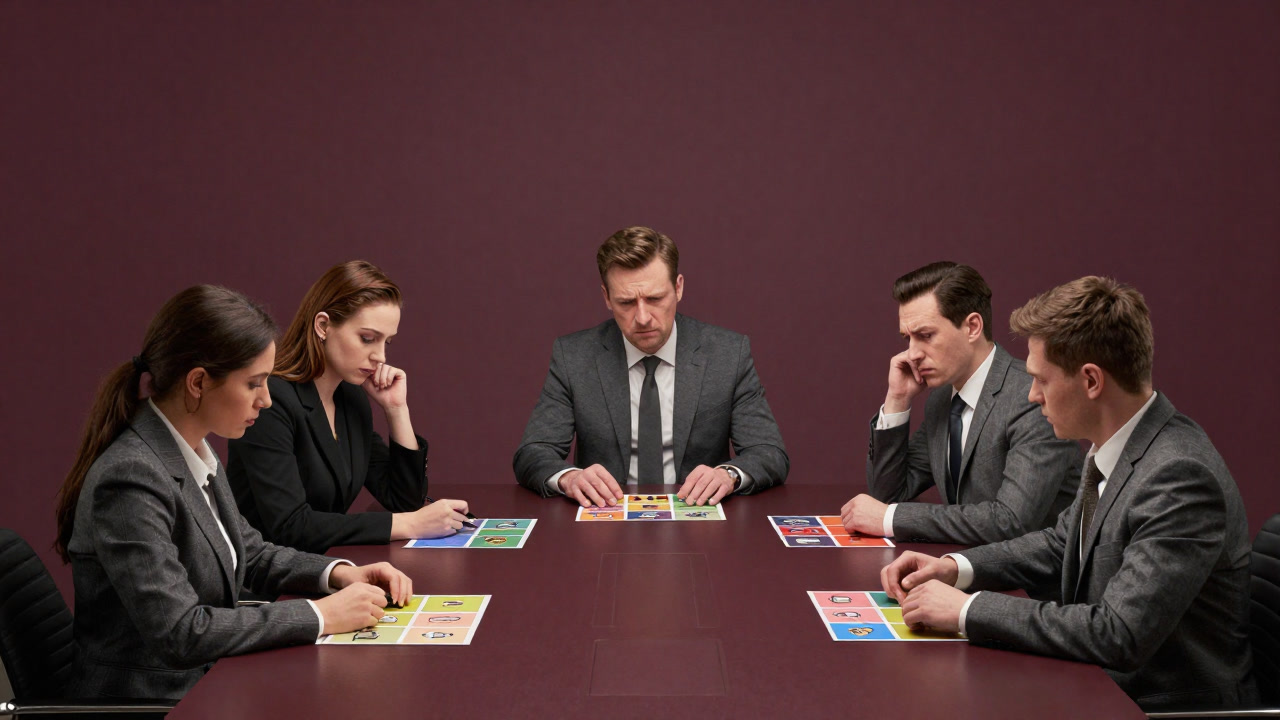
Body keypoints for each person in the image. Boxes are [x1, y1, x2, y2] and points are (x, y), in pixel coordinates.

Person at [879, 277, 1256, 712]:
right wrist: (954, 567)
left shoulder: (1179, 476)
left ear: (1091, 380)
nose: (1031, 394)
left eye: (1041, 379)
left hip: (1155, 703)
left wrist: (967, 610)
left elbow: (1117, 633)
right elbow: (1060, 544)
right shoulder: (1118, 445)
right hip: (1098, 682)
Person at [56, 285, 411, 700]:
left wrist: (336, 574)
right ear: (198, 383)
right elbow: (181, 633)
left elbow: (252, 552)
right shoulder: (131, 477)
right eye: (254, 383)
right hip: (154, 698)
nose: (265, 400)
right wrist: (319, 615)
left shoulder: (192, 449)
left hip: (208, 681)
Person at [513, 226, 788, 507]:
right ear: (607, 297)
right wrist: (569, 478)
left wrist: (727, 475)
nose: (642, 317)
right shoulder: (574, 357)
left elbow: (768, 452)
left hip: (698, 518)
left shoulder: (727, 354)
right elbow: (534, 452)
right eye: (626, 302)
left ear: (678, 287)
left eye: (655, 299)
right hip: (605, 520)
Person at [228, 261, 467, 553]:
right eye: (368, 339)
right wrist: (407, 525)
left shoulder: (350, 398)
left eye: (387, 342)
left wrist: (396, 410)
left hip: (327, 568)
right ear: (323, 326)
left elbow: (404, 500)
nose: (379, 356)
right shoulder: (270, 401)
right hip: (268, 586)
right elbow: (290, 526)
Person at [842, 261, 1081, 546]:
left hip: (1032, 587)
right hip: (967, 568)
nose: (912, 353)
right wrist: (897, 399)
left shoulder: (1030, 397)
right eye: (908, 338)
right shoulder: (942, 400)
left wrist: (890, 519)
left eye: (925, 335)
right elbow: (889, 495)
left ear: (972, 326)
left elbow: (1011, 522)